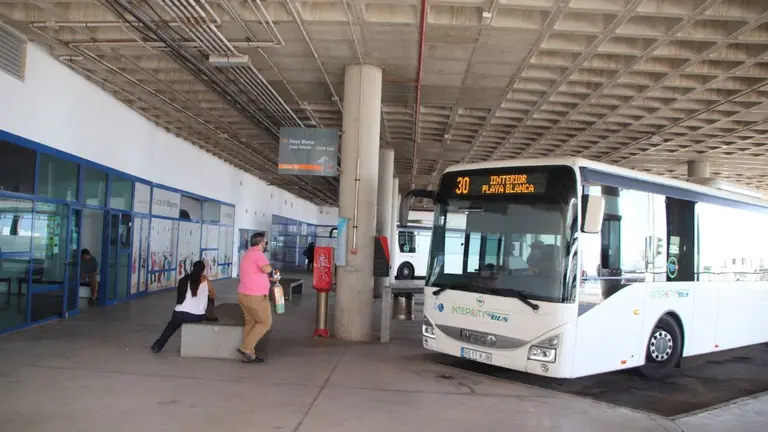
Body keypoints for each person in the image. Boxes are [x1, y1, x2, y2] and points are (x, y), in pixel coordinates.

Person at [151, 260, 214, 353]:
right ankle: (211, 315)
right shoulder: (206, 282)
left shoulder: (185, 280)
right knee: (210, 299)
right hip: (197, 316)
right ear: (203, 270)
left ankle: (158, 346)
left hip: (179, 314)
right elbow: (213, 295)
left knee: (171, 326)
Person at [237, 233, 273, 363]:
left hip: (243, 294)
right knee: (265, 322)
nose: (266, 245)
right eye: (266, 242)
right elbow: (267, 268)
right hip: (255, 295)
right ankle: (246, 348)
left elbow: (256, 272)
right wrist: (271, 271)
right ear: (262, 242)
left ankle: (249, 355)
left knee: (251, 322)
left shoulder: (247, 254)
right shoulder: (258, 254)